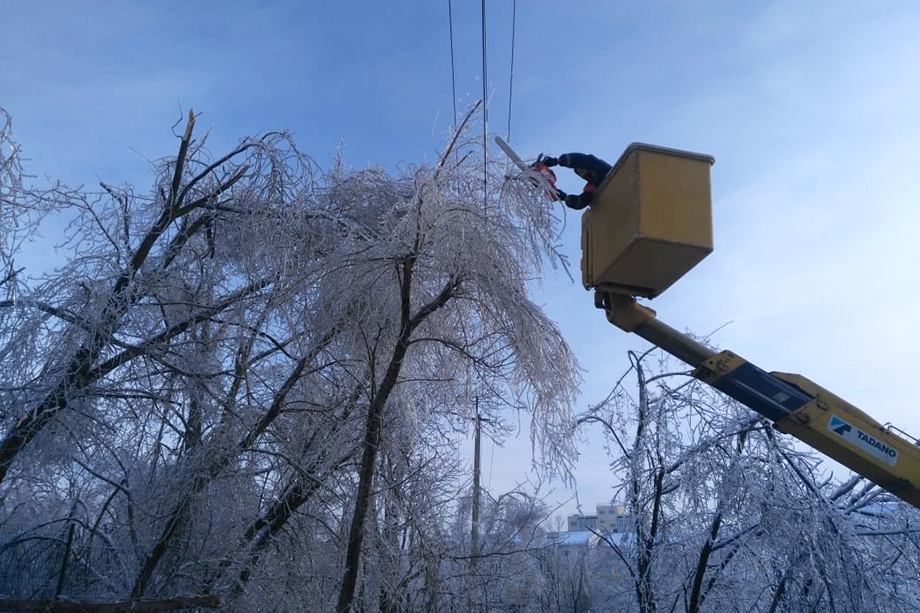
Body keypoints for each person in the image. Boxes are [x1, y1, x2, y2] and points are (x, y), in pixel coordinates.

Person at [541, 153, 612, 210]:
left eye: (580, 167)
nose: (579, 170)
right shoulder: (591, 187)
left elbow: (583, 160)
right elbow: (581, 201)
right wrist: (564, 197)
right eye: (578, 172)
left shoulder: (602, 168)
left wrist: (558, 161)